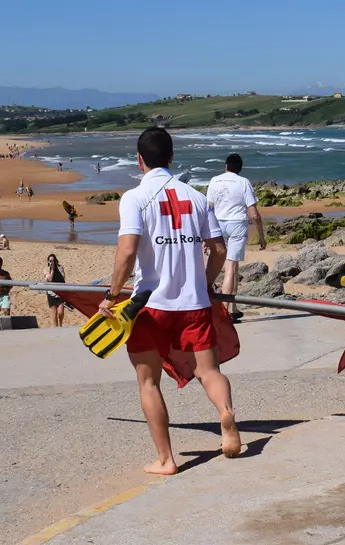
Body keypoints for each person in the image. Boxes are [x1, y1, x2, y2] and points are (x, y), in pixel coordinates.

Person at [96, 127, 241, 473]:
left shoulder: (134, 198)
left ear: (139, 160)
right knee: (209, 371)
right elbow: (219, 250)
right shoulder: (196, 197)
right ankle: (226, 413)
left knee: (148, 381)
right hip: (194, 304)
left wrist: (112, 295)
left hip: (149, 306)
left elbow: (128, 251)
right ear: (172, 157)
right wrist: (205, 283)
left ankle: (166, 459)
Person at [206, 153, 266, 321]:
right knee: (231, 267)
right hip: (237, 224)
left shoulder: (214, 181)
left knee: (232, 266)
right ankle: (224, 312)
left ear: (225, 166)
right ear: (240, 168)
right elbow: (254, 215)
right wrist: (261, 237)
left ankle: (233, 307)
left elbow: (208, 209)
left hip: (217, 225)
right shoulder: (243, 182)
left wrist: (206, 235)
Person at [44, 254, 67, 327]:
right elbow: (50, 279)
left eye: (53, 260)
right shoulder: (46, 269)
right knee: (54, 313)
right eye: (50, 261)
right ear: (48, 261)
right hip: (51, 293)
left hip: (61, 292)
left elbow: (63, 279)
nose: (52, 262)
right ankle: (56, 328)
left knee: (60, 312)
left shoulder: (60, 268)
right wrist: (52, 269)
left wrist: (56, 268)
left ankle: (60, 325)